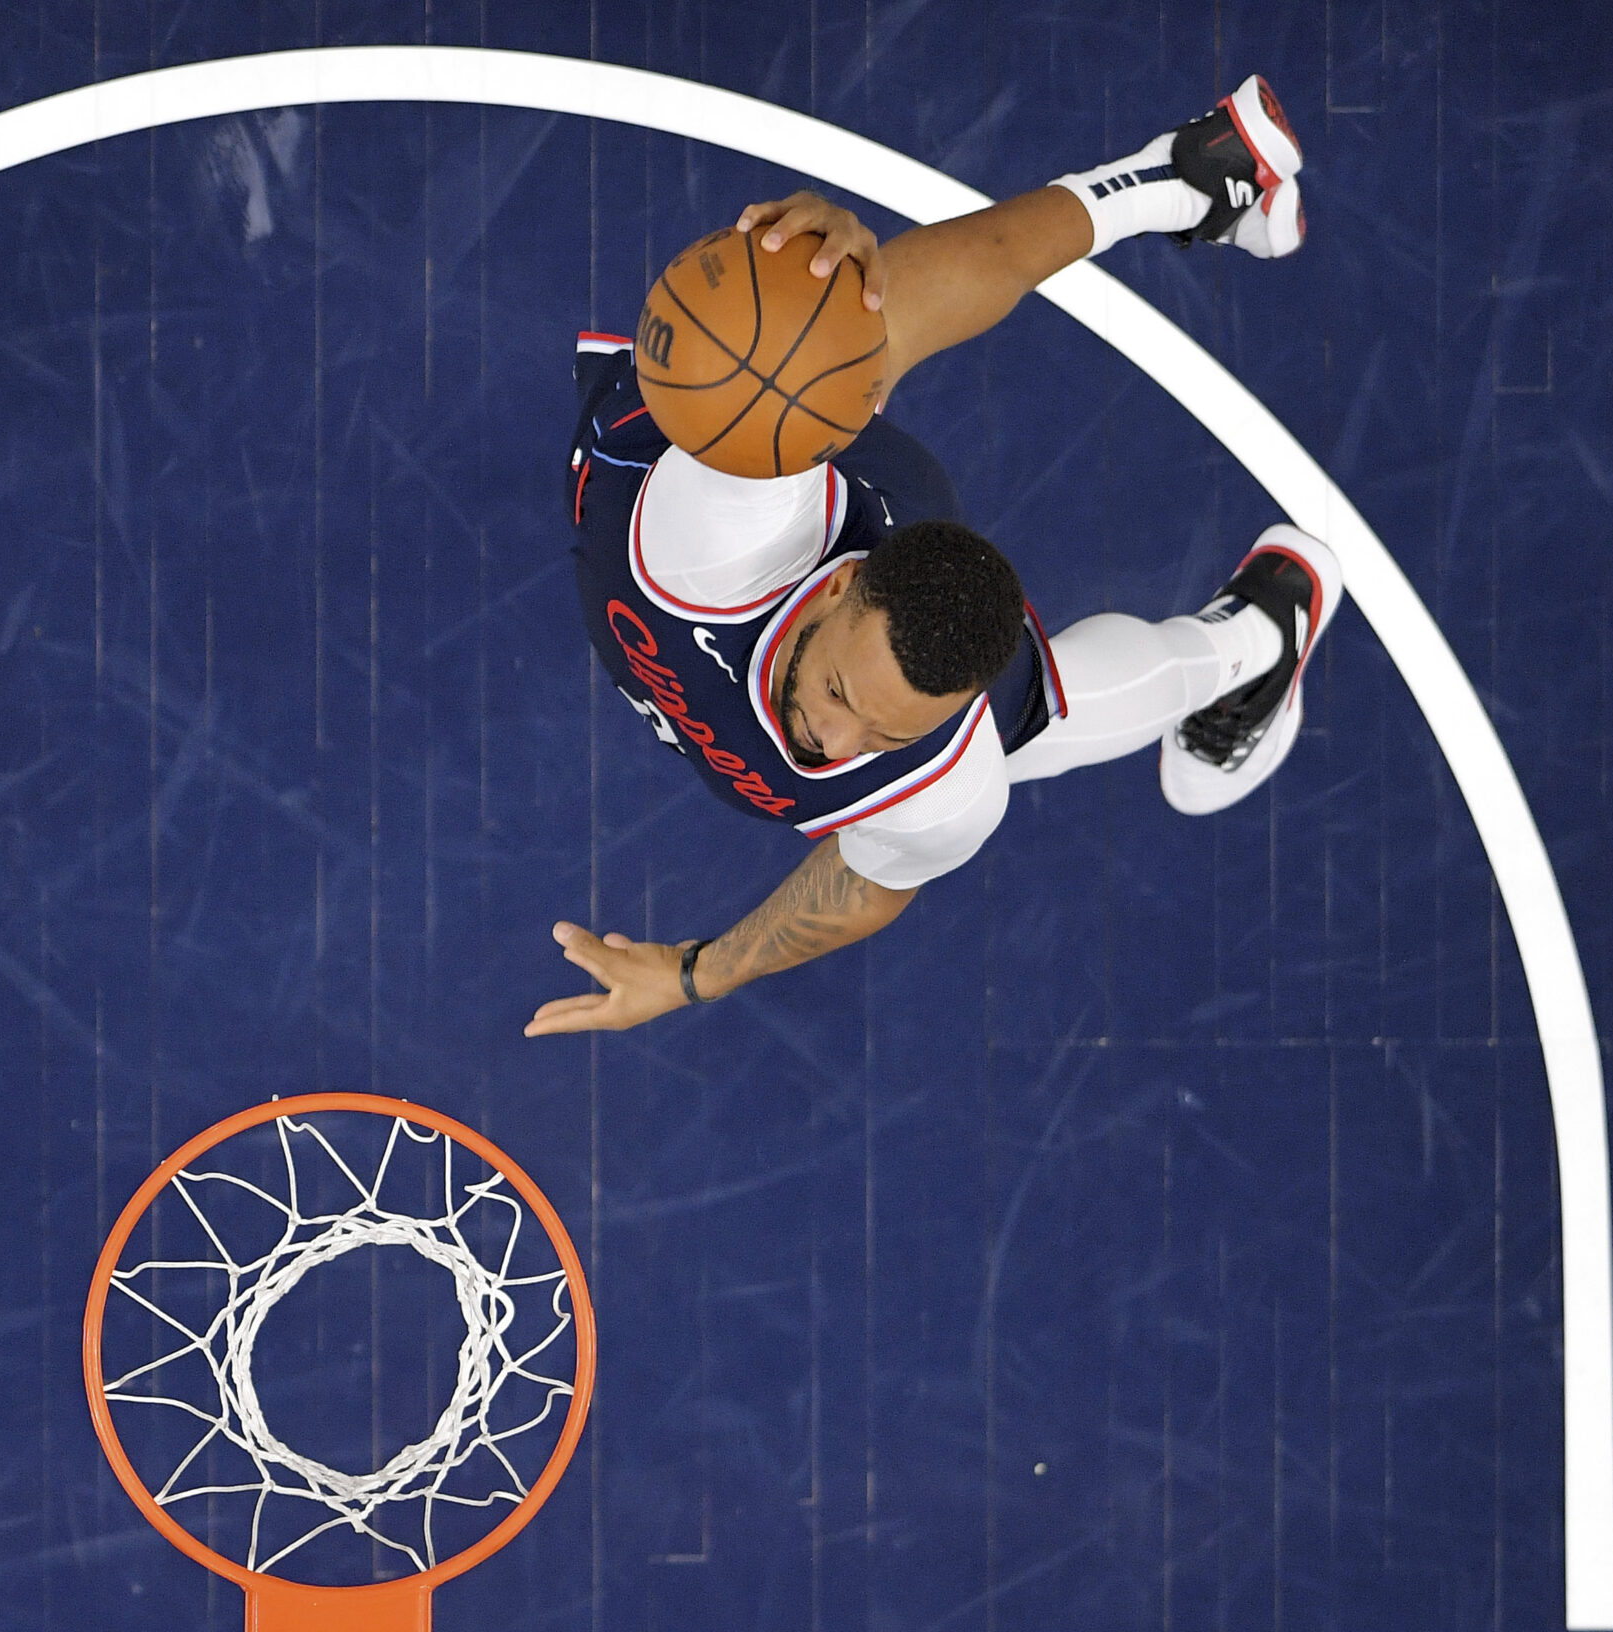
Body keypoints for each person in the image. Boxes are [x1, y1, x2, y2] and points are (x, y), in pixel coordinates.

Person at [527, 75, 1342, 1037]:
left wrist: (693, 975)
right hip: (777, 493)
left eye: (880, 733)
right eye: (836, 694)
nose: (834, 744)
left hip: (867, 568)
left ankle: (1256, 637)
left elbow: (861, 887)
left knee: (1028, 725)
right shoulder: (722, 525)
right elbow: (774, 329)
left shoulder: (943, 781)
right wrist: (814, 274)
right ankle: (1187, 174)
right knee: (839, 354)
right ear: (833, 587)